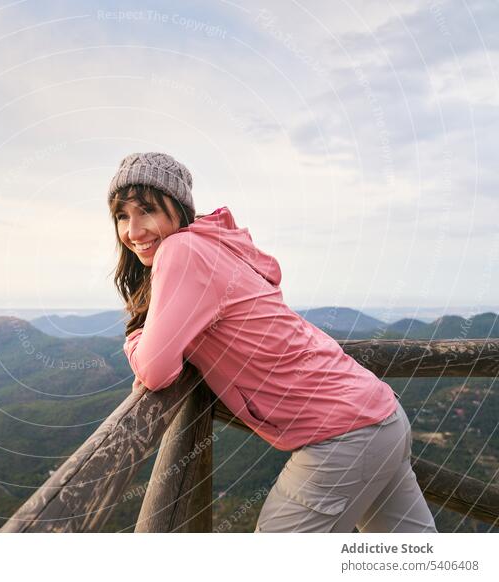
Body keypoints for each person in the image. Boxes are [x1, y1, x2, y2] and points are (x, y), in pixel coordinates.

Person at [107, 151, 437, 533]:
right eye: (121, 216)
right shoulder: (214, 246)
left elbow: (155, 368)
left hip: (346, 435)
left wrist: (135, 340)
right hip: (381, 416)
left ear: (179, 209)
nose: (132, 231)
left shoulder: (181, 250)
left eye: (145, 210)